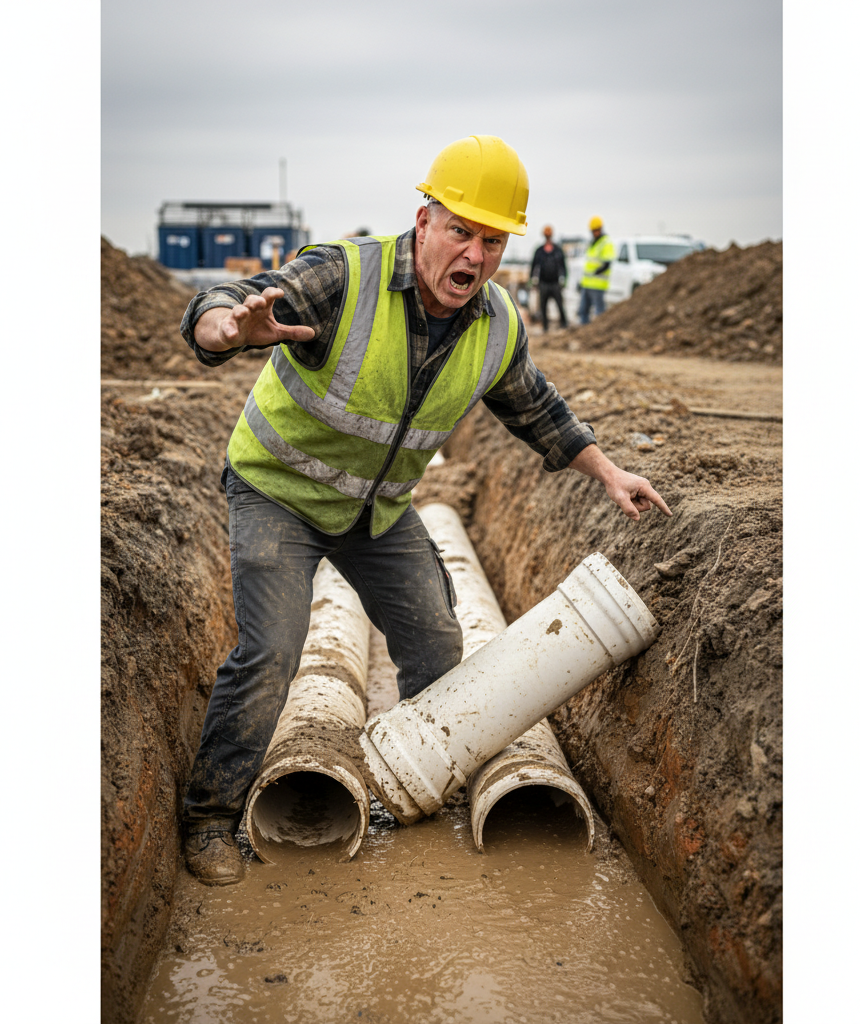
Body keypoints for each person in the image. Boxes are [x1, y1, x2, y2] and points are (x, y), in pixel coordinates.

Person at [176, 135, 672, 886]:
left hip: (373, 511)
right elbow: (228, 308)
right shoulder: (347, 274)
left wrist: (606, 471)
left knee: (438, 642)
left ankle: (424, 777)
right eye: (460, 232)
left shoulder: (496, 323)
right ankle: (211, 816)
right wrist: (224, 329)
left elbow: (535, 408)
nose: (473, 255)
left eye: (492, 240)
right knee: (274, 649)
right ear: (424, 222)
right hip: (278, 490)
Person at [529, 225, 567, 332]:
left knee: (560, 304)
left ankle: (564, 324)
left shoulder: (558, 250)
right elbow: (533, 266)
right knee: (543, 306)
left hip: (555, 283)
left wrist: (564, 279)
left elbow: (563, 266)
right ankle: (545, 327)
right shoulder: (539, 251)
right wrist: (532, 279)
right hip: (543, 283)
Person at [578, 216, 615, 325]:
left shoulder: (606, 242)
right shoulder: (593, 243)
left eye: (597, 230)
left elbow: (607, 263)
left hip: (598, 285)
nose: (595, 233)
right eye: (593, 231)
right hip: (587, 284)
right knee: (582, 311)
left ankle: (600, 332)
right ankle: (584, 332)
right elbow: (589, 265)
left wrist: (597, 272)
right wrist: (581, 282)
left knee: (599, 312)